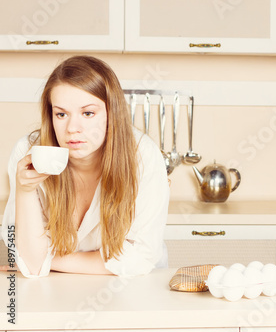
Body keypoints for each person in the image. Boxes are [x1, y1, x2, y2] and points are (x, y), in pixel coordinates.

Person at [1, 55, 170, 278]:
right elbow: (32, 266)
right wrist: (25, 190)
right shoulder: (29, 153)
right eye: (61, 114)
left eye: (88, 113)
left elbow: (139, 258)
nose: (72, 128)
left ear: (112, 113)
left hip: (129, 285)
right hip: (56, 285)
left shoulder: (143, 155)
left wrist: (49, 260)